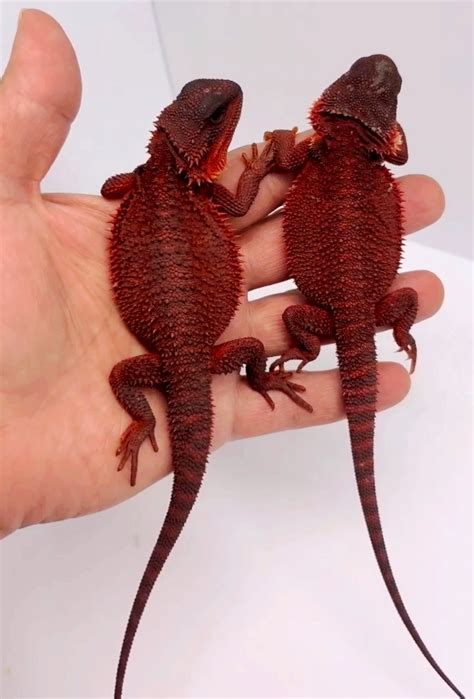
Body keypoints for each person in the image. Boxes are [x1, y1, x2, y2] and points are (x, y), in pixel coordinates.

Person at [0, 10, 445, 538]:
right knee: (244, 350)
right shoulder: (215, 192)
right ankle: (269, 375)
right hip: (199, 345)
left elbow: (110, 189)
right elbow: (235, 207)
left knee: (155, 369)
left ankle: (179, 409)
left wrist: (145, 420)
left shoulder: (142, 184)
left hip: (188, 345)